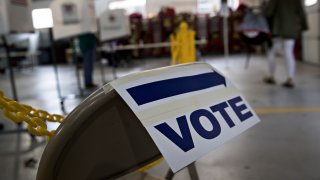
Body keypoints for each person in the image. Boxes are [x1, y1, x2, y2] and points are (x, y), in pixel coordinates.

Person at [263, 0, 308, 88]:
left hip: (277, 29)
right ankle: (290, 79)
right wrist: (304, 26)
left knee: (272, 51)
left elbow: (268, 12)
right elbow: (302, 13)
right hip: (291, 28)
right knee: (289, 52)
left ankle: (271, 76)